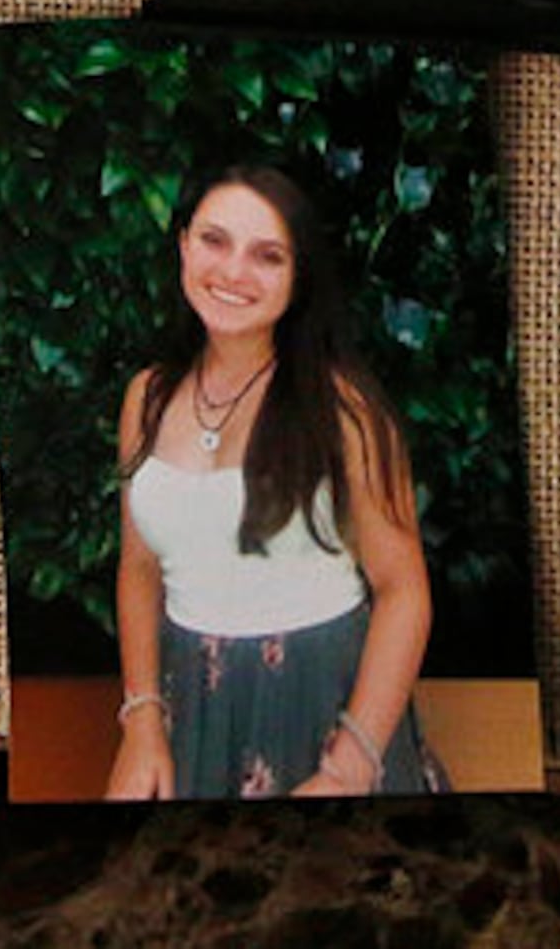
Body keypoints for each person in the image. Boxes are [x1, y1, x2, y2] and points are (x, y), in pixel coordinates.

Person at [103, 165, 444, 801]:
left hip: (319, 711)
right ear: (182, 245)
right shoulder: (144, 399)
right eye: (214, 241)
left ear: (298, 278)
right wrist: (142, 721)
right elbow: (139, 568)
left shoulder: (346, 411)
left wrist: (351, 763)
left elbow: (404, 591)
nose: (233, 272)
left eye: (267, 256)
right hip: (189, 712)